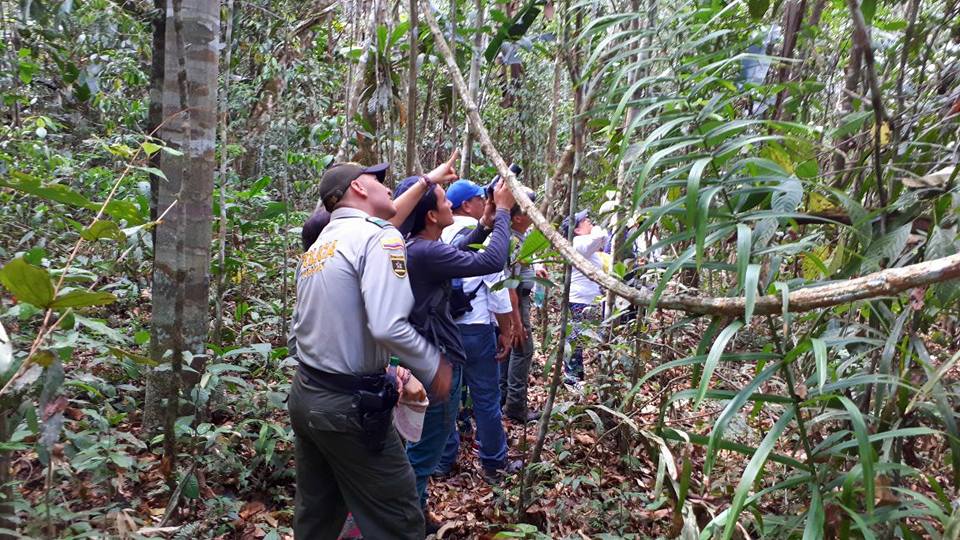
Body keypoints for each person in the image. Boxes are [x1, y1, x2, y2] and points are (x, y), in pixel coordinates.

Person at [287, 160, 457, 539]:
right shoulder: (380, 237)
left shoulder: (321, 246)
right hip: (349, 409)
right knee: (398, 521)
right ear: (359, 189)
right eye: (379, 181)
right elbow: (387, 324)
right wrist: (432, 365)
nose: (388, 187)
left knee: (317, 516)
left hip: (307, 396)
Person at [393, 176, 516, 532]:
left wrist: (484, 225)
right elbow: (493, 260)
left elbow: (461, 250)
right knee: (423, 452)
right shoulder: (425, 252)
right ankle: (407, 524)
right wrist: (505, 210)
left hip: (426, 355)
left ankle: (415, 511)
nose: (451, 207)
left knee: (421, 446)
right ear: (431, 215)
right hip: (434, 360)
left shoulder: (416, 246)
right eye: (446, 203)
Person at [434, 179, 521, 485]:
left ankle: (443, 462)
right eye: (478, 198)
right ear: (467, 205)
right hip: (475, 328)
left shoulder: (436, 232)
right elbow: (496, 288)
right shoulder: (486, 236)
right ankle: (494, 464)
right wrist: (506, 328)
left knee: (446, 397)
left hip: (443, 329)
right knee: (486, 397)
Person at [500, 186, 548, 423]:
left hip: (520, 298)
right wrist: (516, 321)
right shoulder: (511, 240)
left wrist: (534, 269)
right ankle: (516, 407)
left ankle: (504, 398)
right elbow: (509, 283)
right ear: (517, 217)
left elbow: (518, 269)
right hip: (516, 301)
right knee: (522, 349)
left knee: (511, 351)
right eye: (529, 210)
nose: (534, 213)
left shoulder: (517, 237)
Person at [561, 209, 608, 388]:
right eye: (585, 221)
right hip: (581, 300)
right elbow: (600, 237)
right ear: (577, 230)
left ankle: (579, 376)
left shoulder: (581, 243)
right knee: (576, 339)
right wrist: (598, 229)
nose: (590, 222)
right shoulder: (578, 243)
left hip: (589, 300)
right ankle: (572, 378)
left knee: (585, 338)